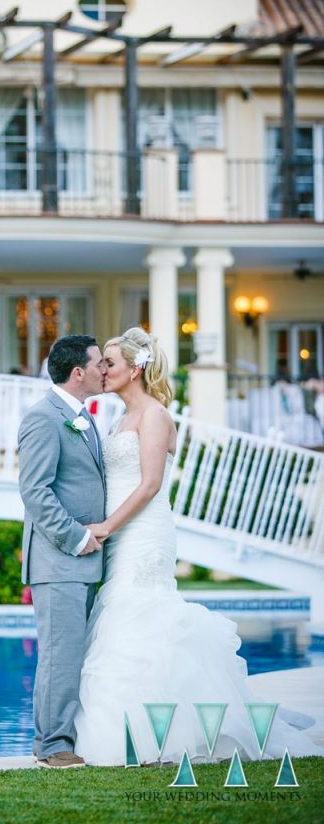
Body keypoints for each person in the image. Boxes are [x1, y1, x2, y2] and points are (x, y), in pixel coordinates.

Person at [74, 326, 323, 765]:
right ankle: (133, 729)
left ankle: (155, 735)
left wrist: (107, 526)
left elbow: (150, 484)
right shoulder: (116, 418)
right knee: (120, 614)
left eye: (109, 363)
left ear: (134, 369)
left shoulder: (154, 415)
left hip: (143, 531)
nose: (102, 370)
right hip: (119, 529)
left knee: (139, 614)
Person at [18, 335, 107, 769]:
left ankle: (61, 738)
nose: (104, 371)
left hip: (87, 561)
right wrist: (75, 537)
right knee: (60, 655)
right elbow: (34, 492)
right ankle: (52, 746)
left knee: (76, 655)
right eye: (98, 365)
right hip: (60, 561)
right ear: (78, 373)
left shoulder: (84, 418)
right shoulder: (43, 418)